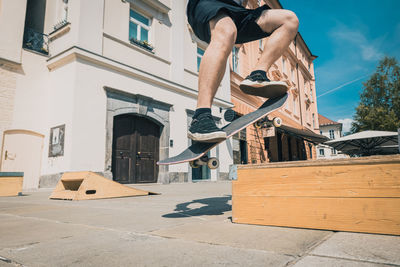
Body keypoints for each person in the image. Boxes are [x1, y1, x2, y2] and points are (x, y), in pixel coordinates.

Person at [186, 0, 299, 142]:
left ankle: (257, 75)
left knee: (289, 20)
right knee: (227, 30)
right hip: (208, 4)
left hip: (238, 13)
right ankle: (200, 116)